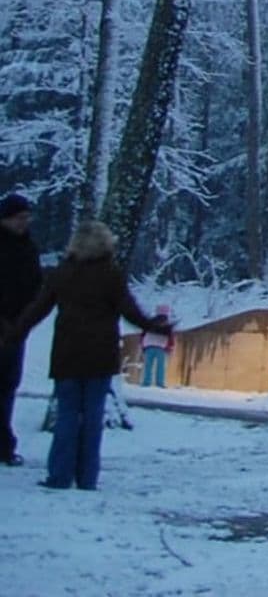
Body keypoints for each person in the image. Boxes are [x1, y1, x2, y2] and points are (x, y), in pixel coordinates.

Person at [3, 219, 171, 490]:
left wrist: (14, 333)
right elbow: (130, 311)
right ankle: (87, 477)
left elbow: (38, 308)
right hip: (100, 356)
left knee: (67, 415)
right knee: (92, 418)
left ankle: (59, 475)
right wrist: (154, 326)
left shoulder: (62, 273)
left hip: (66, 354)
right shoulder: (111, 275)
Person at [0, 193, 43, 466]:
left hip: (17, 327)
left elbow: (35, 287)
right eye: (19, 218)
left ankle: (3, 443)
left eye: (26, 218)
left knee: (7, 386)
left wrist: (24, 320)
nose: (23, 223)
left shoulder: (28, 248)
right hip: (10, 323)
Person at [140, 304, 175, 387]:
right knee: (161, 366)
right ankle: (160, 383)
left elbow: (143, 334)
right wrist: (170, 346)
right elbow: (170, 336)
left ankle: (146, 382)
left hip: (148, 345)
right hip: (161, 346)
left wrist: (142, 345)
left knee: (148, 365)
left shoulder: (150, 322)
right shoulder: (167, 324)